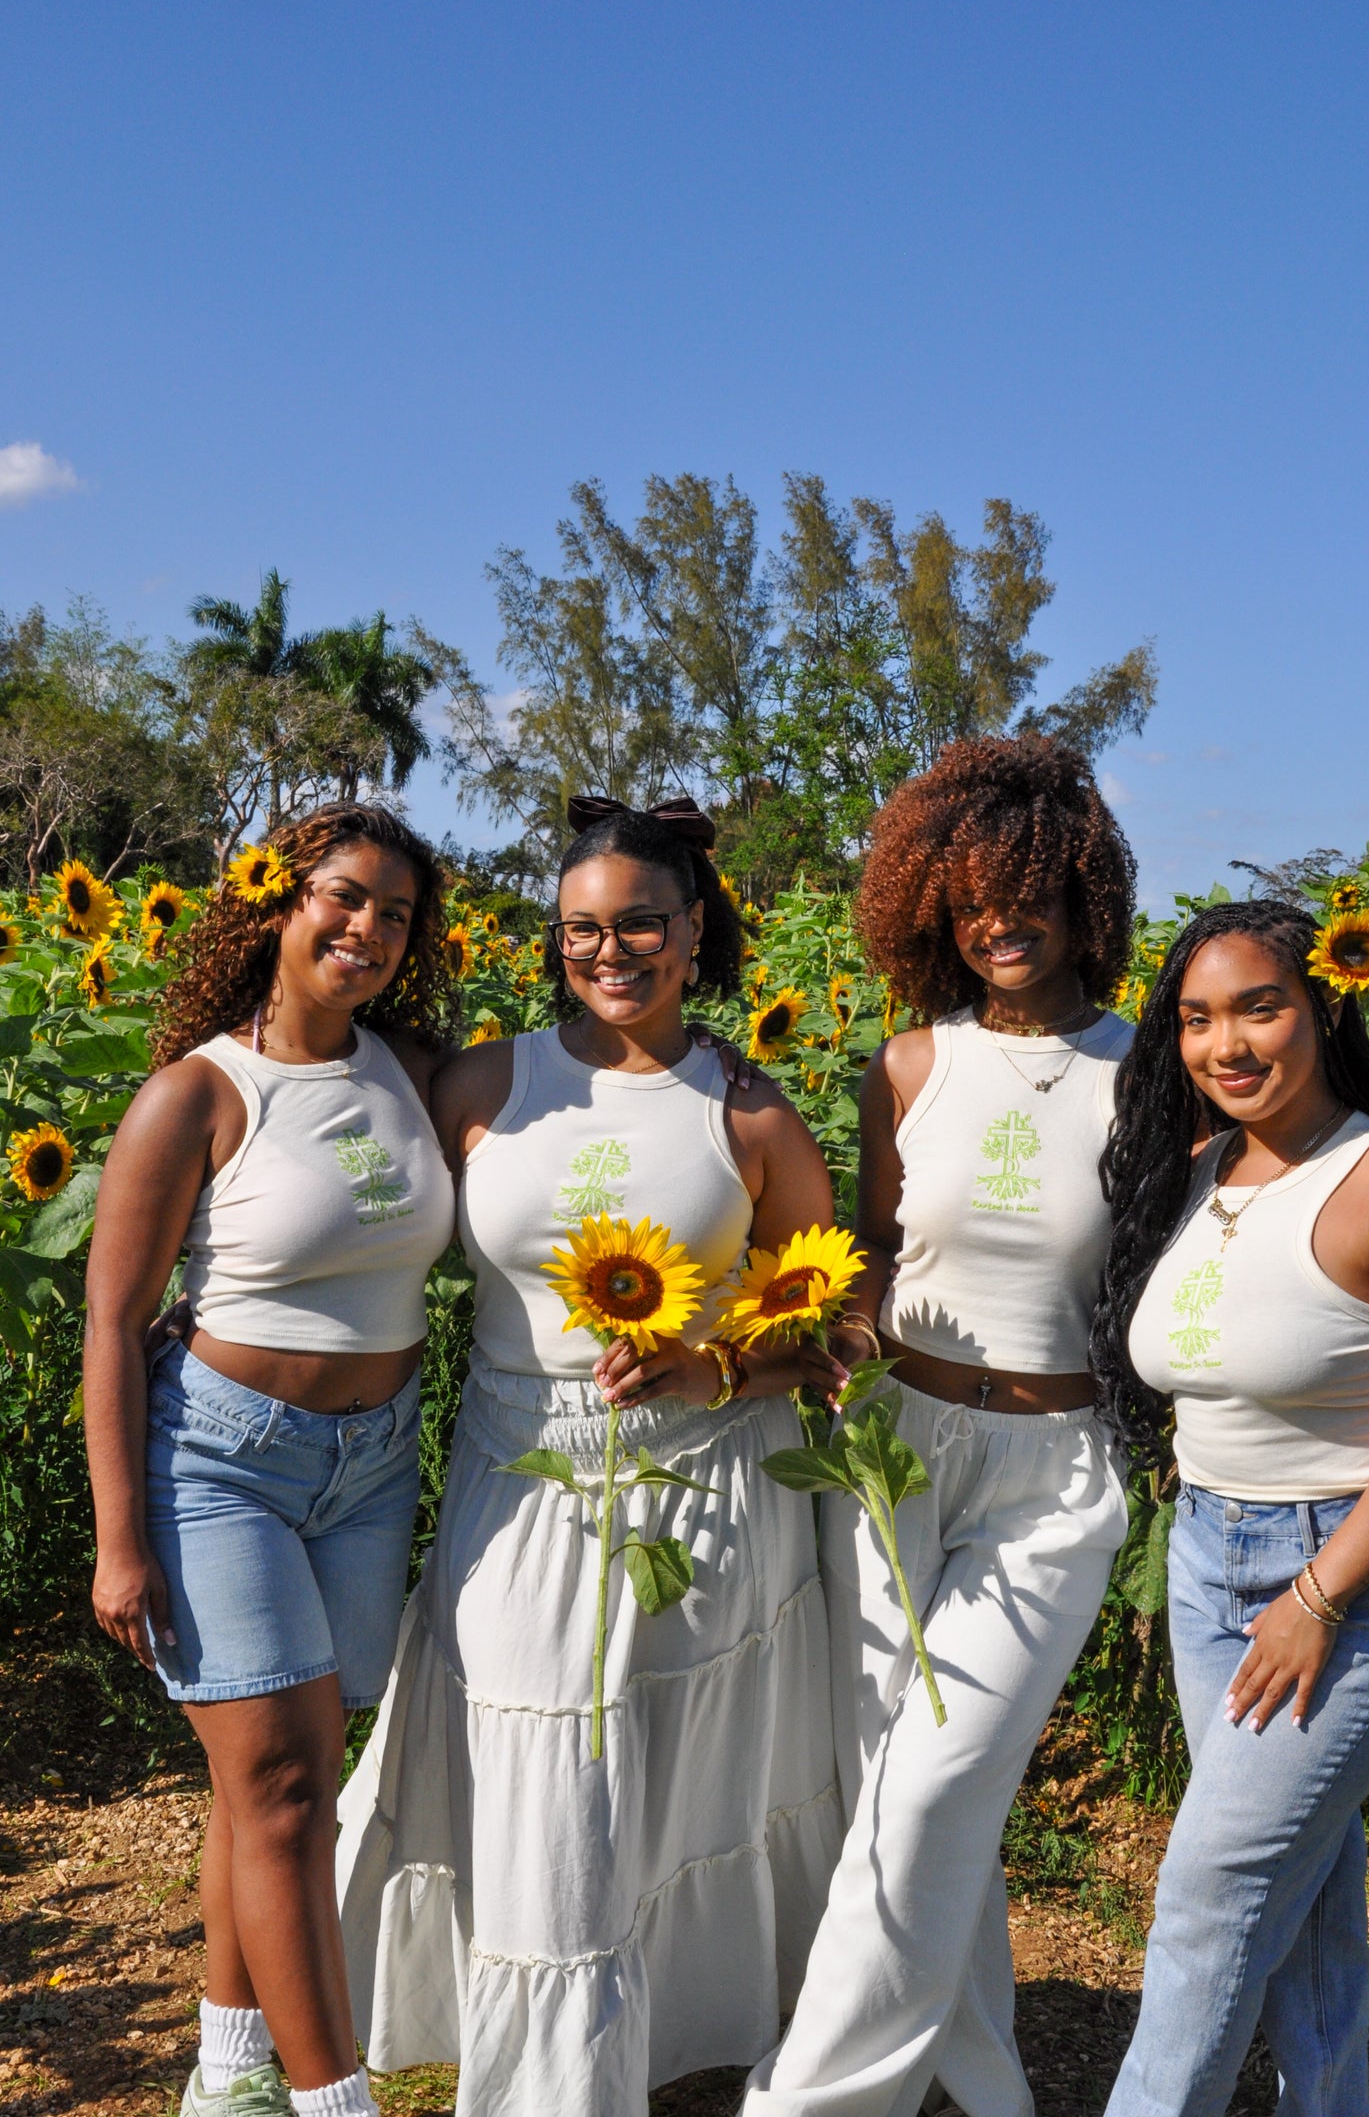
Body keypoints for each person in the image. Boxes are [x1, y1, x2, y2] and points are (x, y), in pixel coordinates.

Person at [336, 797, 847, 2117]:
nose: (608, 951)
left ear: (693, 934)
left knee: (675, 1779)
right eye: (580, 929)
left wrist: (713, 1361)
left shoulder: (748, 1114)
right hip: (518, 1477)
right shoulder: (479, 1083)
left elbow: (834, 1325)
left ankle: (666, 2044)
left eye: (637, 925)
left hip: (706, 1485)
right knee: (544, 1772)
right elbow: (352, 1205)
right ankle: (552, 2081)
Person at [744, 735, 1134, 2117]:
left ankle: (806, 2101)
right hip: (894, 1447)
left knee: (931, 1789)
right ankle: (979, 2078)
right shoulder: (908, 1065)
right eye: (967, 897)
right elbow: (873, 1248)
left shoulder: (1150, 1073)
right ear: (931, 907)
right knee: (897, 1791)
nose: (998, 921)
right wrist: (835, 1331)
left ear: (1084, 895)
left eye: (1027, 890)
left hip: (1055, 1475)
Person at [85, 805, 458, 2117]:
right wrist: (119, 1537)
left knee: (279, 1784)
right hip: (218, 1467)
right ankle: (331, 2104)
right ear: (279, 904)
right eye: (343, 898)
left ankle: (227, 2078)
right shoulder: (196, 1091)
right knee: (289, 1792)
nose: (367, 929)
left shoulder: (410, 1069)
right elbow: (117, 1325)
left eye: (396, 913)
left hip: (371, 1470)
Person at [1091, 898, 1369, 2116]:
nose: (1224, 1044)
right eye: (1194, 1018)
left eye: (1258, 1006)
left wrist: (1315, 1595)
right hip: (1204, 1562)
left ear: (1324, 1004)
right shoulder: (1195, 1173)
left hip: (1348, 1578)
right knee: (1294, 1894)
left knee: (1208, 1893)